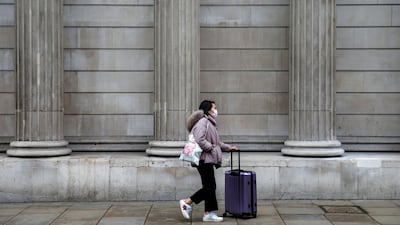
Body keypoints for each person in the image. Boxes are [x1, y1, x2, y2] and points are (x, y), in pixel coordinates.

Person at [179, 100, 238, 222]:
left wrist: (228, 148)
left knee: (210, 186)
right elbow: (200, 139)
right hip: (204, 159)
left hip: (207, 159)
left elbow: (216, 143)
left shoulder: (209, 122)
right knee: (209, 187)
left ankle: (209, 213)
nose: (216, 110)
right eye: (214, 108)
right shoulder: (203, 122)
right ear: (208, 109)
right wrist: (210, 148)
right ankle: (187, 202)